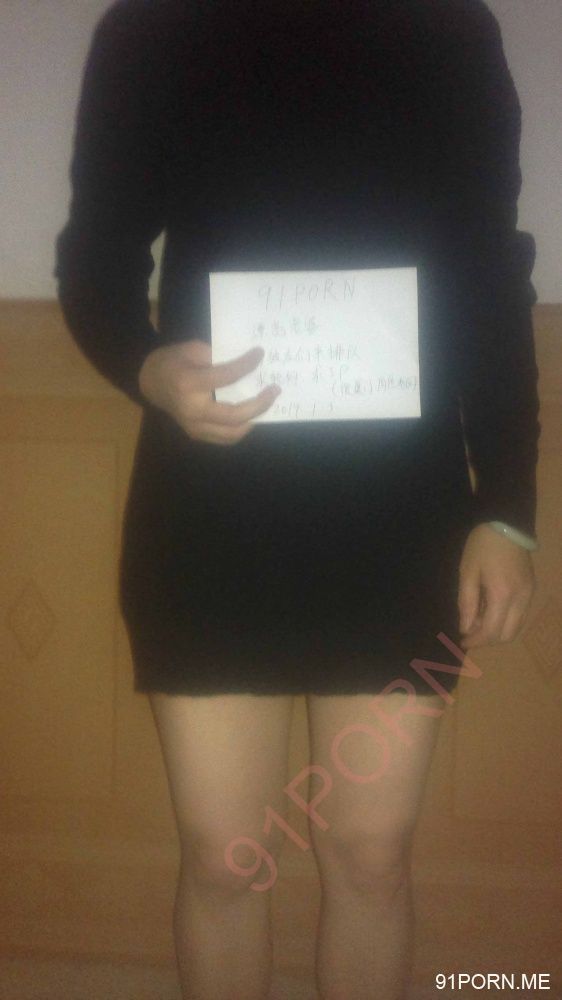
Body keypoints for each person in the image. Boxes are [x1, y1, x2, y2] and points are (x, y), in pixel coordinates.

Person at [54, 0, 540, 997]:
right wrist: (146, 368)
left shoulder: (447, 30)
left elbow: (490, 279)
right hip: (211, 505)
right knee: (224, 860)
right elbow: (95, 258)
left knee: (371, 856)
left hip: (398, 509)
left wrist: (507, 507)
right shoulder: (151, 31)